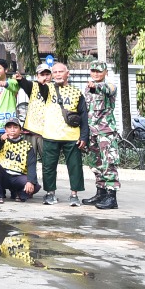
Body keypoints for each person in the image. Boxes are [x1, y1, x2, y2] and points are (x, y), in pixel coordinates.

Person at [37, 62, 89, 207]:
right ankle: (50, 193)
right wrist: (40, 83)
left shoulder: (76, 92)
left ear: (68, 73)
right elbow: (38, 90)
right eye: (55, 72)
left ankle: (74, 195)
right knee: (48, 166)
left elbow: (84, 116)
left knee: (75, 166)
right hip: (50, 134)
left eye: (61, 71)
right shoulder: (47, 88)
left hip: (71, 136)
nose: (58, 74)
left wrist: (84, 137)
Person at [82, 61, 121, 209]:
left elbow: (107, 89)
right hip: (92, 132)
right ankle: (101, 193)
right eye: (93, 71)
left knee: (108, 164)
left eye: (99, 71)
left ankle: (112, 198)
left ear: (106, 73)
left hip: (106, 132)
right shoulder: (87, 89)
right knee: (95, 164)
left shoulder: (110, 86)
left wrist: (95, 86)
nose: (96, 74)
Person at [0, 118, 38, 202]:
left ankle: (17, 193)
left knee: (35, 186)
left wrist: (31, 182)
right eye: (9, 127)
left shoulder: (27, 145)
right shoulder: (2, 141)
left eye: (15, 127)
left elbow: (31, 165)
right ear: (5, 129)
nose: (12, 130)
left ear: (20, 130)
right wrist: (1, 138)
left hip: (18, 177)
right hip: (4, 176)